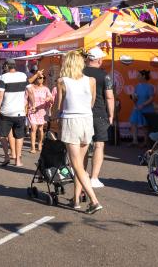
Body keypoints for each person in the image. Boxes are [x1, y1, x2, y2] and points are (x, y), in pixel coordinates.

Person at [56, 51, 102, 215]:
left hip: (71, 121)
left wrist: (55, 118)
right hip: (86, 121)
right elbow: (91, 102)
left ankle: (93, 200)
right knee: (80, 164)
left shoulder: (62, 81)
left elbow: (59, 106)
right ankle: (75, 199)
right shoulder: (91, 81)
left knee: (76, 165)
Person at [82, 46, 115, 188]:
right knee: (99, 145)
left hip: (82, 113)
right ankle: (94, 177)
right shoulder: (104, 76)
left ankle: (81, 174)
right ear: (99, 60)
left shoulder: (78, 73)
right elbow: (109, 97)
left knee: (83, 145)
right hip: (99, 114)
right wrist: (111, 115)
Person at [0, 59, 33, 167]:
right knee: (19, 136)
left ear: (7, 66)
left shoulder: (3, 77)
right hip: (19, 112)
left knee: (3, 135)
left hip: (6, 112)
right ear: (15, 66)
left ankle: (7, 157)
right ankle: (18, 160)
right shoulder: (23, 76)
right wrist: (33, 104)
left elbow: (0, 95)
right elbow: (30, 91)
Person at [27, 73, 53, 153]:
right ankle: (32, 147)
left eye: (42, 78)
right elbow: (25, 98)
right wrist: (25, 108)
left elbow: (51, 97)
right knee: (33, 128)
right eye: (39, 78)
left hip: (42, 110)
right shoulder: (30, 88)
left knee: (41, 129)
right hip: (32, 110)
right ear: (35, 78)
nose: (41, 79)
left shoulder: (45, 89)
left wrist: (48, 98)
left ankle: (40, 144)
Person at [130, 70, 155, 147]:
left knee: (145, 126)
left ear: (143, 76)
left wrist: (143, 105)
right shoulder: (137, 86)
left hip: (146, 109)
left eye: (139, 75)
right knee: (133, 123)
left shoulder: (150, 86)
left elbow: (151, 98)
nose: (137, 77)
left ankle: (145, 142)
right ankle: (135, 141)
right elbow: (135, 97)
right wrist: (133, 98)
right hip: (137, 108)